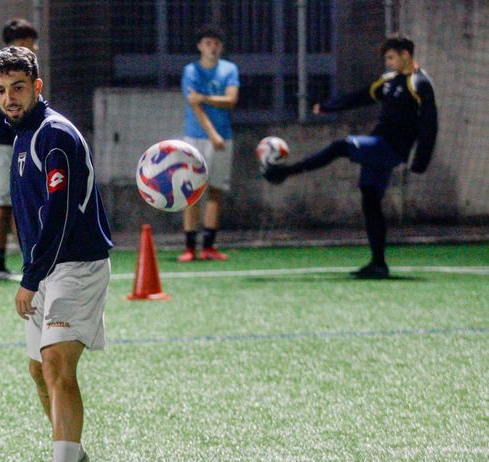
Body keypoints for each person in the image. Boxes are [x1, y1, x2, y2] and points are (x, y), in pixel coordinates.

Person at [0, 46, 113, 462]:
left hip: (75, 266)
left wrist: (30, 278)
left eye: (18, 88)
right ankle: (72, 461)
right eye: (0, 91)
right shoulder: (23, 134)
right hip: (48, 267)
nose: (9, 98)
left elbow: (57, 216)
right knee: (39, 369)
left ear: (37, 87)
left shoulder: (53, 134)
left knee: (57, 366)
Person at [263, 35, 437, 279]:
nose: (387, 63)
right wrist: (328, 106)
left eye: (391, 57)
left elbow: (430, 124)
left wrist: (421, 161)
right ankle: (378, 264)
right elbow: (361, 96)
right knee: (370, 200)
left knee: (342, 146)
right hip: (379, 148)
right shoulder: (388, 81)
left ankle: (285, 172)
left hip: (391, 148)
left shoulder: (419, 83)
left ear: (406, 55)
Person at [0, 19, 38, 282]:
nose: (33, 48)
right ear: (18, 43)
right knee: (4, 206)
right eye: (29, 42)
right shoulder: (4, 72)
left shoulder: (11, 71)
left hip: (8, 146)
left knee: (17, 206)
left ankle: (27, 260)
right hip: (3, 148)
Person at [177, 25, 239, 262]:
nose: (212, 47)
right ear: (200, 46)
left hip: (223, 137)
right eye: (207, 43)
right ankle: (190, 247)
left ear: (220, 47)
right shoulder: (191, 71)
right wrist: (212, 134)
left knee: (216, 190)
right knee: (191, 192)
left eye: (216, 43)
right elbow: (195, 105)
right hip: (195, 138)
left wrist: (205, 98)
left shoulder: (229, 69)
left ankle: (209, 246)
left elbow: (231, 100)